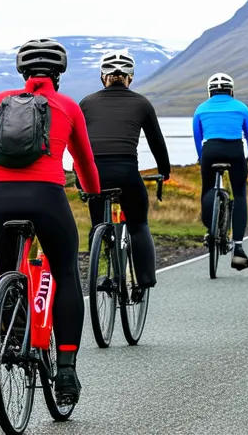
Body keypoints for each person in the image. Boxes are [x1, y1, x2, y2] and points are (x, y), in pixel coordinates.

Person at [0, 38, 100, 405]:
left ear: (22, 71)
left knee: (7, 272)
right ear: (59, 73)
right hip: (46, 196)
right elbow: (84, 162)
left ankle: (13, 338)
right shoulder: (66, 106)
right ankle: (65, 370)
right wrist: (92, 192)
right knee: (65, 273)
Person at [79, 49, 172, 304]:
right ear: (130, 77)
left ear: (103, 76)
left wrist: (79, 176)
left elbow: (77, 143)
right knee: (139, 225)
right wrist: (164, 170)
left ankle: (102, 270)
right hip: (127, 172)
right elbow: (156, 142)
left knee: (98, 224)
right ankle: (143, 280)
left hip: (95, 173)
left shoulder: (86, 102)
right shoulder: (141, 103)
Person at [192, 72, 248, 270]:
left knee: (206, 189)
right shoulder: (241, 107)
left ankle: (210, 229)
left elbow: (198, 139)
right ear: (231, 90)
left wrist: (201, 158)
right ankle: (238, 248)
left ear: (210, 92)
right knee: (239, 194)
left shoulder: (201, 109)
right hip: (235, 151)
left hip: (210, 150)